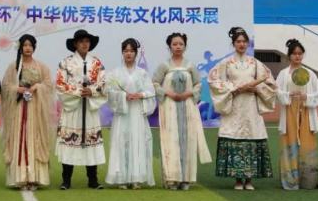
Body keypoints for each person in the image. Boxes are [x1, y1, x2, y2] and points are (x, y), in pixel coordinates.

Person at [209, 27, 276, 190]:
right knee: (235, 136)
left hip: (251, 106)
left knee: (251, 136)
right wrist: (233, 89)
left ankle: (249, 180)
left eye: (244, 41)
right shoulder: (226, 63)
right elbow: (213, 80)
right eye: (238, 41)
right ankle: (238, 180)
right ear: (233, 43)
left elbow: (270, 82)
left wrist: (257, 88)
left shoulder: (255, 63)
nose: (242, 44)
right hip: (235, 105)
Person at [153, 32, 211, 190]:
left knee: (188, 140)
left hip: (188, 107)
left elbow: (198, 84)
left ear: (185, 46)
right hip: (169, 107)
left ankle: (186, 178)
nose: (178, 47)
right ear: (169, 46)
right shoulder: (164, 66)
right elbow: (155, 83)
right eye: (174, 44)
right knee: (170, 141)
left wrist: (189, 93)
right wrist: (167, 93)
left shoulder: (190, 65)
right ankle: (172, 179)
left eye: (181, 44)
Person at [0, 33, 54, 191]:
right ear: (20, 47)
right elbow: (5, 86)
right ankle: (20, 178)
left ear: (34, 47)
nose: (28, 48)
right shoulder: (14, 67)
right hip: (18, 109)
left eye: (30, 45)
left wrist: (37, 87)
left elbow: (49, 85)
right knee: (19, 137)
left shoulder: (42, 67)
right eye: (25, 45)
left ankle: (35, 178)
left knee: (35, 138)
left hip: (36, 108)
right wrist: (17, 89)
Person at [55, 28, 108, 190]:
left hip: (90, 108)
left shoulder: (96, 63)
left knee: (91, 142)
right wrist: (78, 91)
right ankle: (66, 180)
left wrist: (91, 91)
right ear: (75, 44)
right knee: (70, 142)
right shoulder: (65, 63)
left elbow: (104, 83)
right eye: (81, 42)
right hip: (73, 107)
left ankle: (93, 180)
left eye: (87, 41)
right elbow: (60, 84)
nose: (85, 44)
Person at [275, 38, 318, 191]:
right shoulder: (283, 74)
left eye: (300, 53)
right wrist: (288, 94)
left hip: (306, 111)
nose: (297, 56)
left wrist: (307, 97)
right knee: (289, 144)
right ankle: (290, 181)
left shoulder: (309, 73)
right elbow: (276, 91)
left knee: (307, 144)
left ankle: (308, 181)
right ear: (289, 56)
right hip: (289, 111)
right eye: (294, 53)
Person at [105, 38, 156, 189]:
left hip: (136, 111)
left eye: (132, 51)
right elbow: (109, 92)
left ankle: (136, 178)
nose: (129, 54)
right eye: (126, 51)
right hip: (122, 112)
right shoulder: (114, 73)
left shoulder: (142, 73)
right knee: (121, 142)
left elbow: (150, 91)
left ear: (136, 53)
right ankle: (121, 178)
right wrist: (123, 96)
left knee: (137, 141)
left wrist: (140, 95)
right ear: (122, 53)